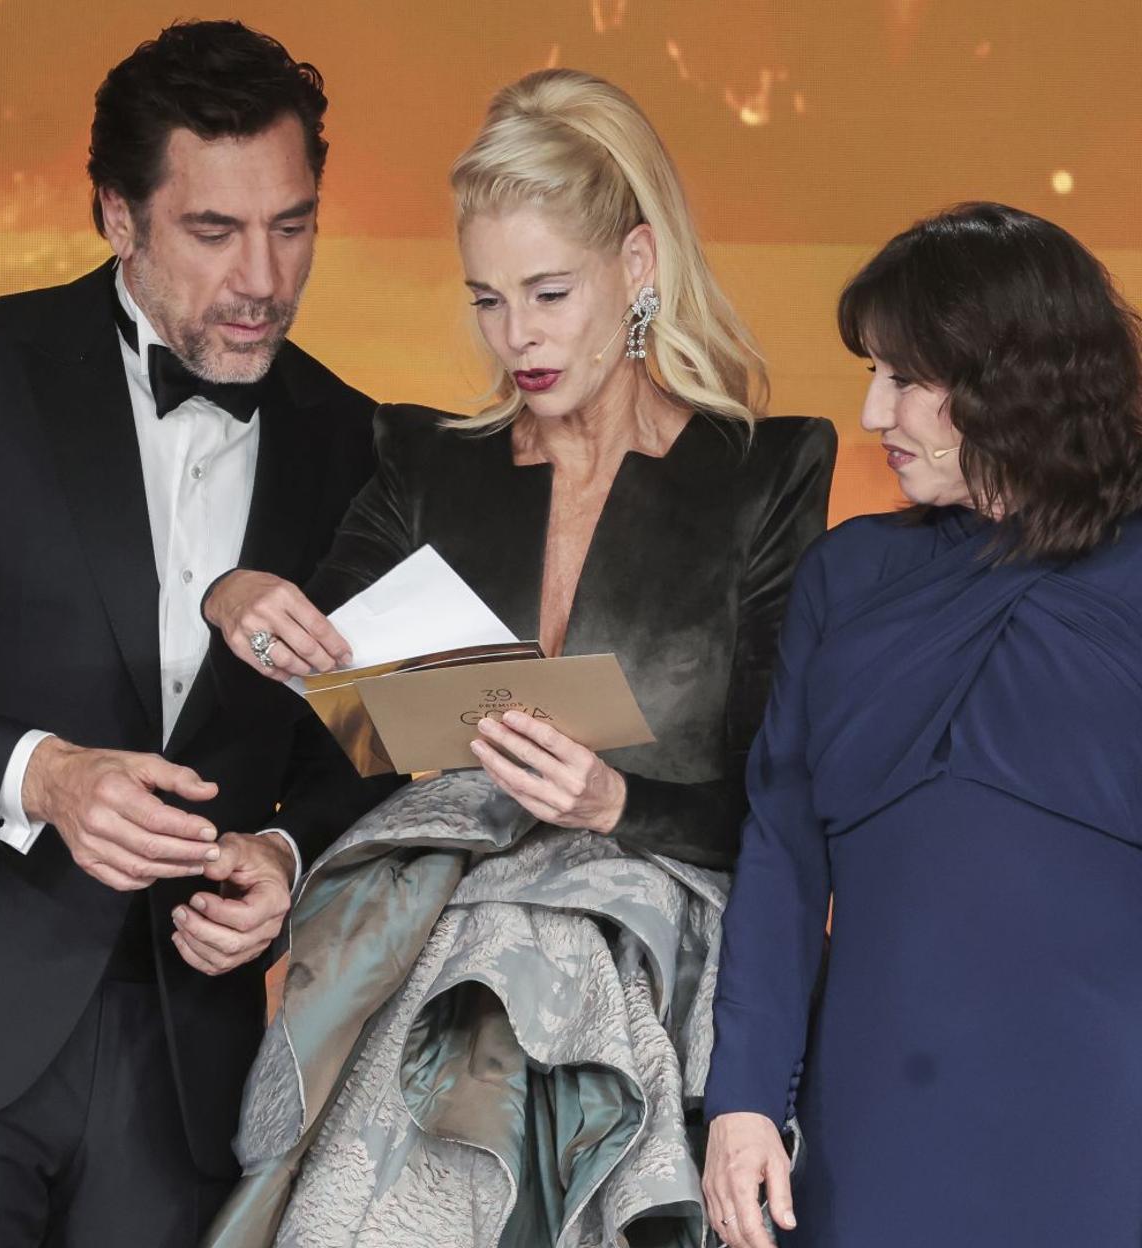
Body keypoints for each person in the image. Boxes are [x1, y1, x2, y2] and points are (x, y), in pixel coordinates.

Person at [200, 69, 835, 1247]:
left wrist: (616, 804)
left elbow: (784, 803)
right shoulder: (426, 462)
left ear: (637, 265)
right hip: (430, 982)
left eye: (549, 292)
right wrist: (235, 599)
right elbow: (330, 720)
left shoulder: (764, 474)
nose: (517, 337)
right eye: (488, 300)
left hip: (654, 986)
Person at [0, 20, 395, 1247]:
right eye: (214, 231)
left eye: (292, 225)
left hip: (192, 1070)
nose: (264, 278)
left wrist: (283, 855)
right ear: (118, 217)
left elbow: (365, 749)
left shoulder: (356, 439)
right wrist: (43, 776)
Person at [701, 202, 1142, 1248]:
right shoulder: (848, 574)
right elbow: (782, 852)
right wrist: (743, 1098)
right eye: (874, 374)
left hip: (1107, 1115)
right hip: (873, 1123)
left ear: (1008, 379)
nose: (871, 413)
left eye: (903, 380)